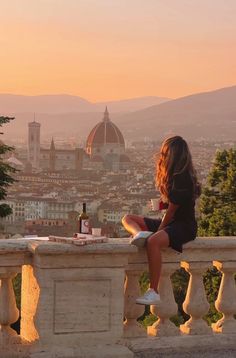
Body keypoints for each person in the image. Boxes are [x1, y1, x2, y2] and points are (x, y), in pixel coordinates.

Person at [122, 136, 201, 305]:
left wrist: (158, 232)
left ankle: (153, 291)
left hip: (183, 226)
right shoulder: (176, 176)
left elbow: (172, 212)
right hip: (173, 223)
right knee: (128, 218)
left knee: (153, 242)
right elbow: (172, 204)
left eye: (165, 152)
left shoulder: (182, 178)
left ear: (173, 155)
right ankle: (139, 234)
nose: (162, 155)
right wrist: (159, 206)